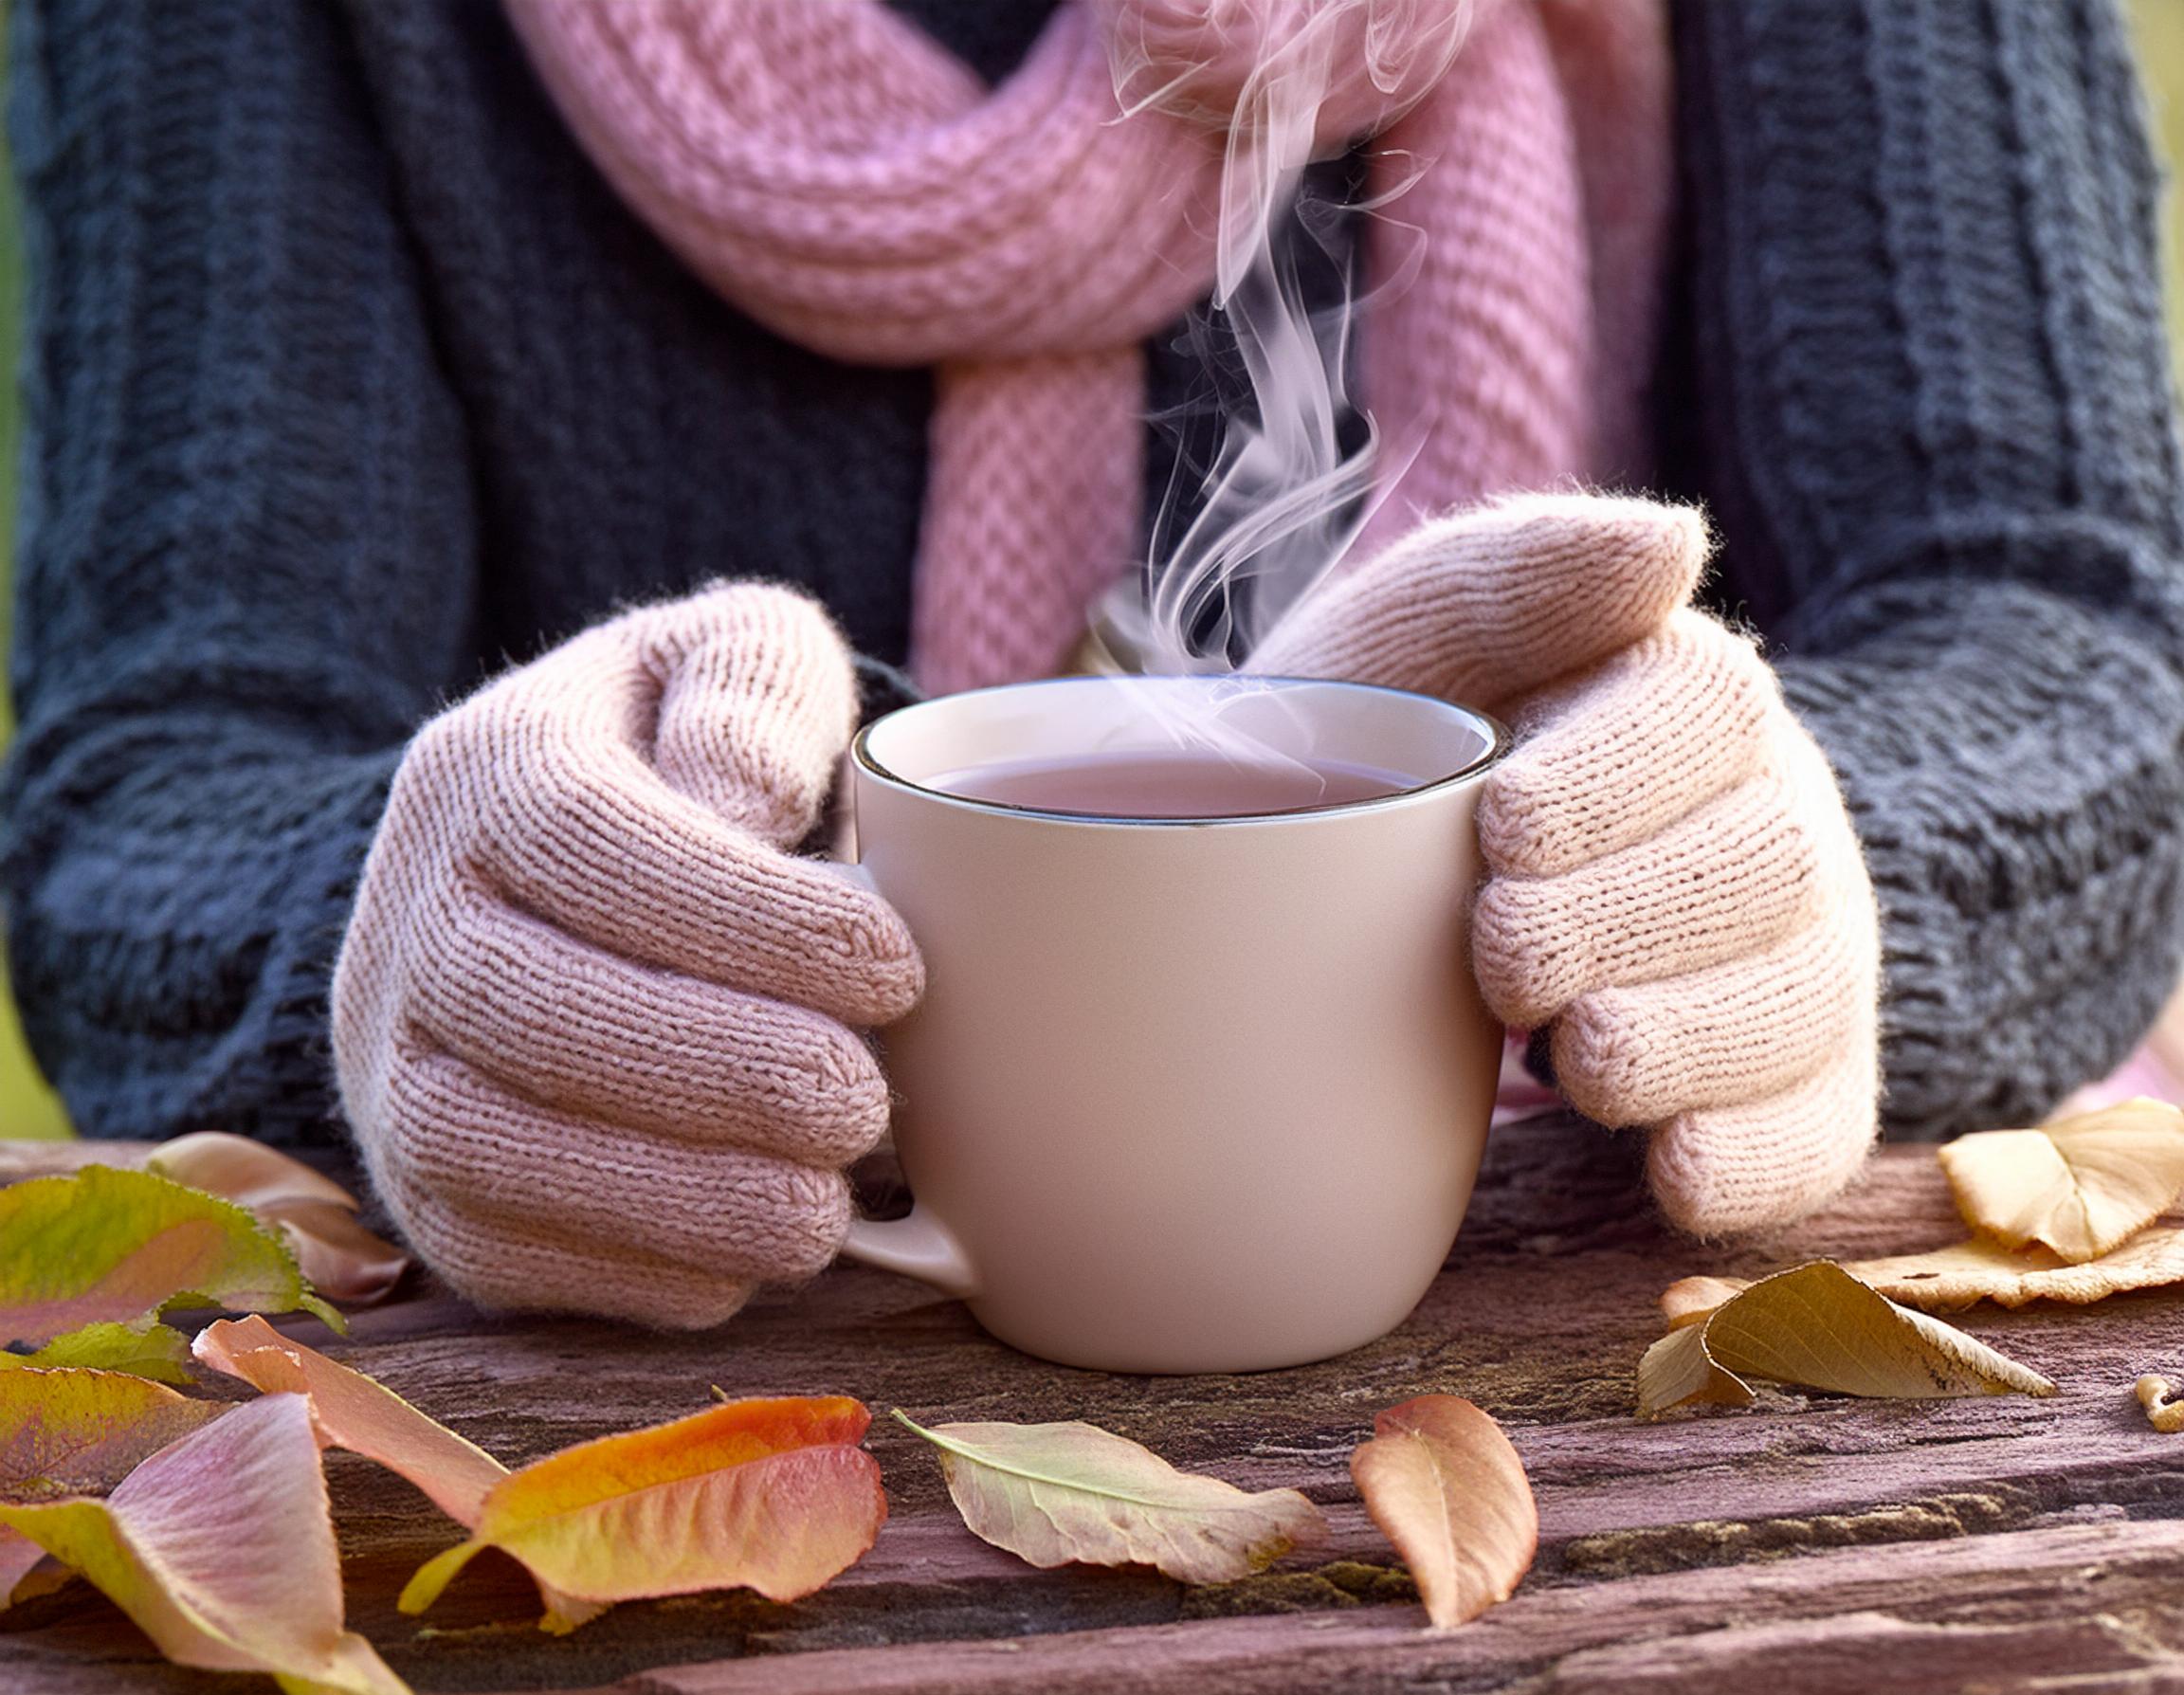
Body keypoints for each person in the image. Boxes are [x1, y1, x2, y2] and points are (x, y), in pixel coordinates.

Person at [8, 0, 2183, 1327]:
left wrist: (1840, 858)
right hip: (739, 1449)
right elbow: (156, 778)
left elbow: (2061, 622)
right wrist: (399, 936)